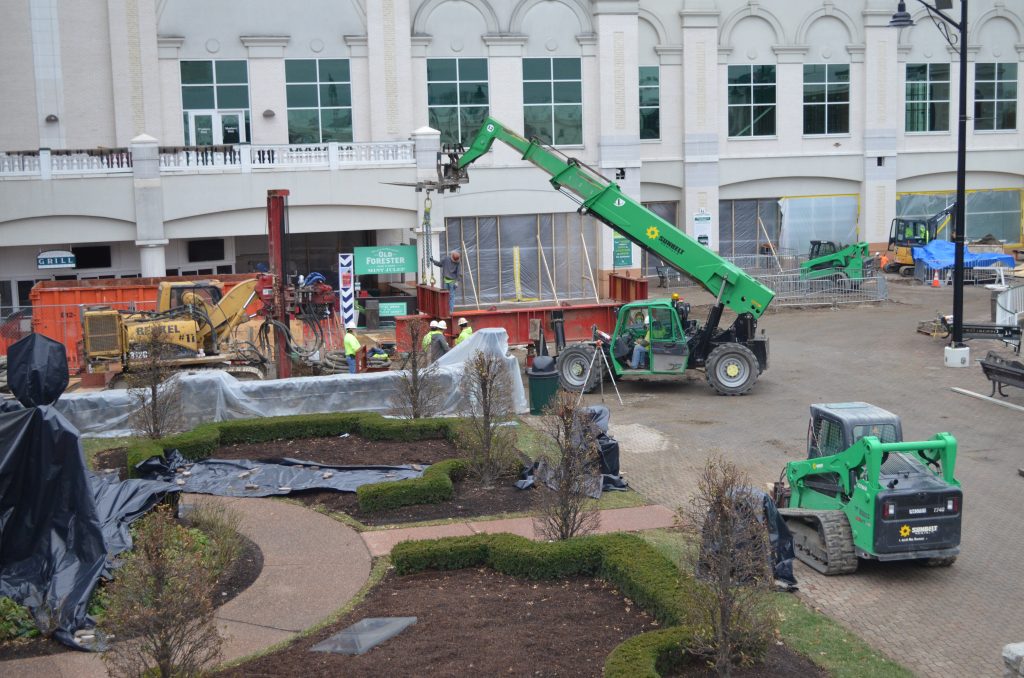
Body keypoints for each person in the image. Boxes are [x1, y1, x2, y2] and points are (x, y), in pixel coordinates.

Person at [431, 250, 462, 315]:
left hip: (446, 281)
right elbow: (459, 273)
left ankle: (444, 310)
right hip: (453, 282)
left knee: (445, 296)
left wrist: (433, 261)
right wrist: (457, 282)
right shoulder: (458, 262)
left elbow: (439, 264)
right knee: (451, 296)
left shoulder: (446, 259)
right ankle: (450, 311)